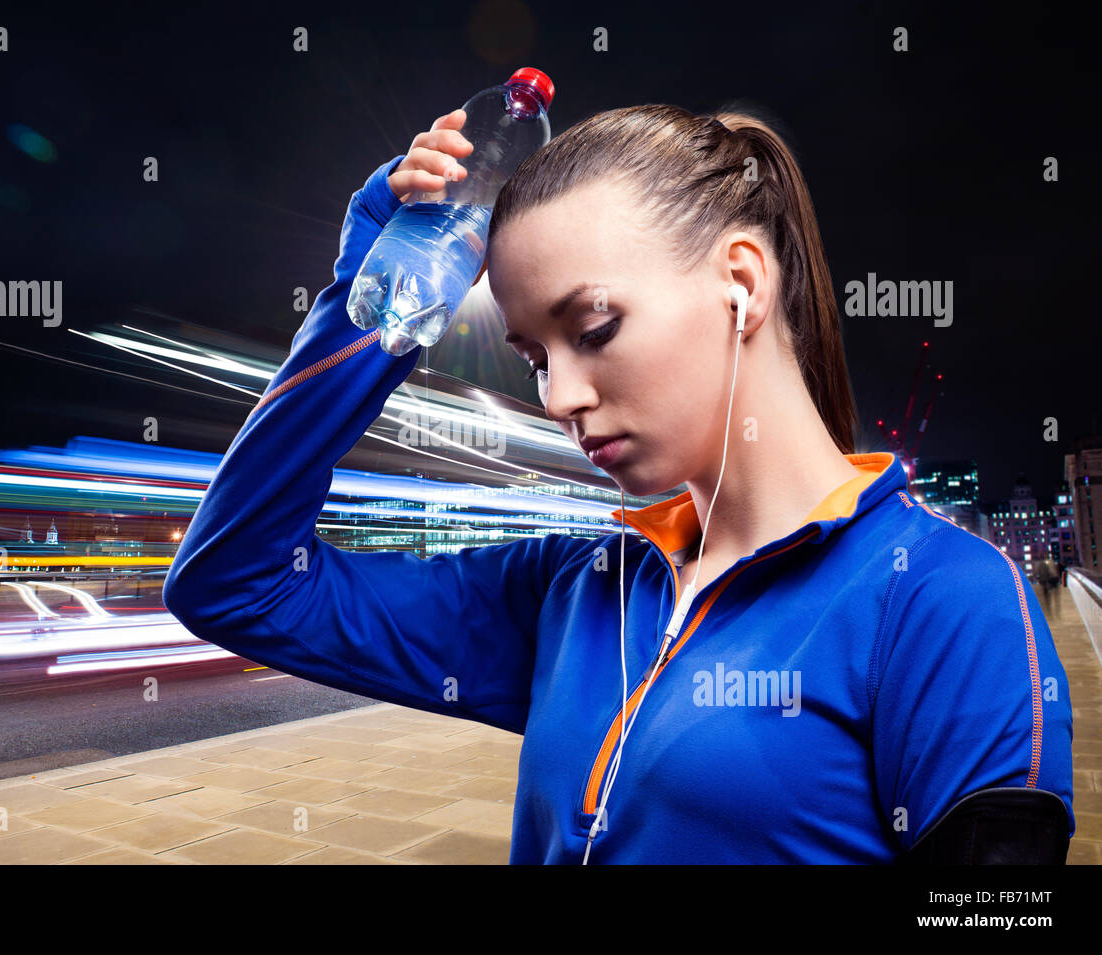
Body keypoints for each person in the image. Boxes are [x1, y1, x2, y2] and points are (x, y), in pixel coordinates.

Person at [163, 104, 1074, 864]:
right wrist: (369, 311)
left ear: (742, 283)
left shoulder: (944, 601)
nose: (560, 395)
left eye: (593, 327)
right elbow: (235, 581)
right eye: (533, 358)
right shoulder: (572, 594)